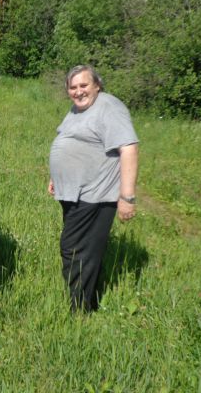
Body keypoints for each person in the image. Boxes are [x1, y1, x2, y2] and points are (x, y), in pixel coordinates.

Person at [48, 65, 139, 312]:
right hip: (74, 193)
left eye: (83, 85)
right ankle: (87, 302)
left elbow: (129, 148)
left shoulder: (109, 107)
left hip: (95, 195)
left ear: (97, 85)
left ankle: (80, 310)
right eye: (73, 87)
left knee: (74, 250)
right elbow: (70, 142)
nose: (78, 91)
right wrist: (57, 176)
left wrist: (127, 197)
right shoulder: (77, 110)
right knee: (82, 251)